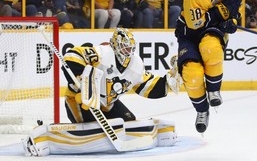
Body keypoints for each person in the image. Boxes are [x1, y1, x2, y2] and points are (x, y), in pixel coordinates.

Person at [22, 27, 179, 156]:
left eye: (130, 49)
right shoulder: (102, 53)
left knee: (129, 122)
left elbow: (147, 87)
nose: (128, 53)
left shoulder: (136, 65)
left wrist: (169, 81)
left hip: (107, 104)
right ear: (116, 46)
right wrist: (82, 81)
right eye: (125, 49)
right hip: (79, 100)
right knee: (89, 125)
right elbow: (71, 55)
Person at [175, 0, 243, 133]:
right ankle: (202, 110)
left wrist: (233, 21)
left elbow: (237, 12)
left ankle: (214, 90)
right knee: (192, 73)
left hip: (212, 30)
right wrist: (222, 14)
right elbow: (195, 24)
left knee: (211, 49)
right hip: (188, 33)